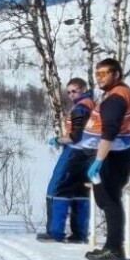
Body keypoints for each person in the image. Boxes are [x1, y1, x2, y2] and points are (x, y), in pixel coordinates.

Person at [80, 58, 130, 260]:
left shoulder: (116, 98)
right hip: (115, 156)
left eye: (104, 73)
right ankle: (113, 246)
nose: (100, 78)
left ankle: (114, 248)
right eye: (97, 74)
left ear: (116, 74)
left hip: (112, 157)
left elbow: (110, 131)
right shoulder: (118, 93)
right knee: (107, 199)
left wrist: (99, 160)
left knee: (109, 199)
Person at [37, 78, 95, 243]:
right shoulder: (93, 105)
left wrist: (58, 140)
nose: (71, 95)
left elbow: (76, 136)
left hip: (74, 154)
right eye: (69, 91)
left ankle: (54, 232)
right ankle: (79, 233)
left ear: (84, 89)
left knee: (57, 189)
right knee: (81, 190)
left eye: (74, 91)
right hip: (90, 154)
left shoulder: (81, 107)